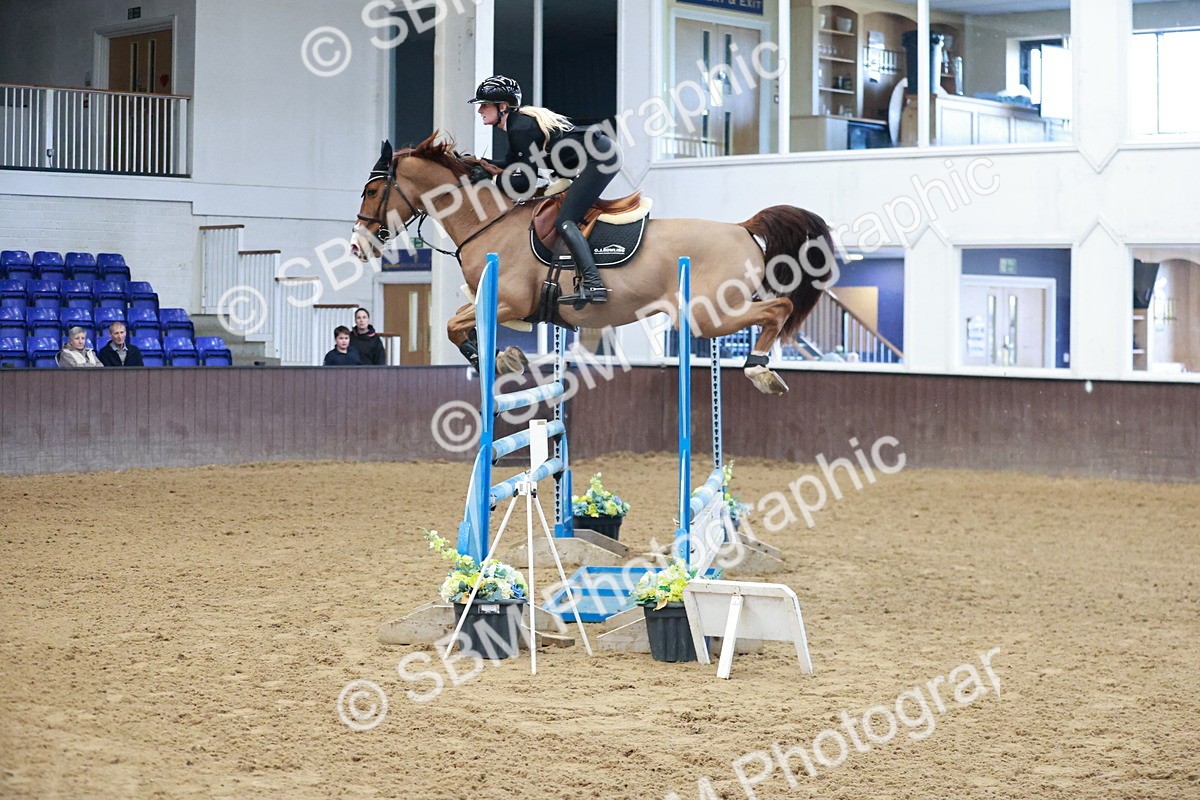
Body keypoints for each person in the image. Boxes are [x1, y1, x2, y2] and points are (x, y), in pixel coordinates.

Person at [470, 75, 621, 306]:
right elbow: (512, 165)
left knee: (565, 221)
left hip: (600, 158)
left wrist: (490, 180)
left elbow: (524, 183)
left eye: (485, 105)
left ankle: (594, 283)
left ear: (502, 107)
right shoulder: (517, 125)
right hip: (597, 154)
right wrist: (478, 163)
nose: (480, 110)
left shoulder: (520, 128)